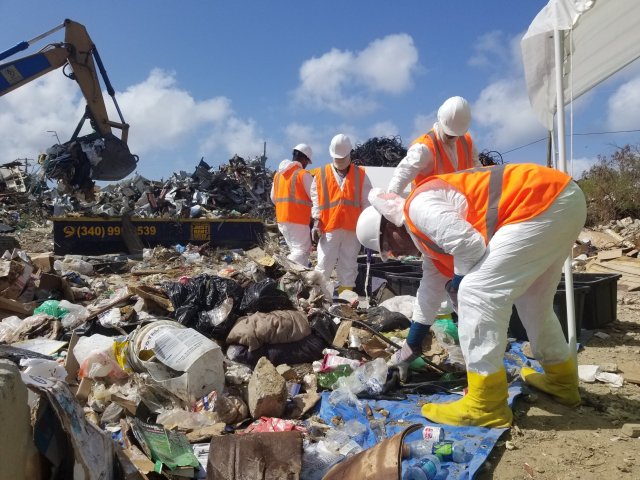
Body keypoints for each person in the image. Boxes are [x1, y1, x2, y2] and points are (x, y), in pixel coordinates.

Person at [356, 163, 586, 427]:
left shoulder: (419, 208)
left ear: (390, 226)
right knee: (534, 301)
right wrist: (412, 343)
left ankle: (485, 404)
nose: (394, 255)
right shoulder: (428, 243)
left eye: (388, 248)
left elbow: (470, 246)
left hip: (541, 201)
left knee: (476, 290)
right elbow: (428, 294)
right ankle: (561, 380)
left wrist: (458, 284)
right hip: (558, 201)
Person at [311, 133, 372, 294]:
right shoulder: (321, 174)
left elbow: (366, 202)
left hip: (352, 228)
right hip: (329, 226)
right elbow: (316, 200)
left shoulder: (360, 175)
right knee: (324, 263)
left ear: (349, 154)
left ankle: (346, 297)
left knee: (349, 264)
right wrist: (316, 222)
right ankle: (318, 296)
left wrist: (367, 227)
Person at [387, 96, 478, 195]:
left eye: (454, 135)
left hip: (460, 202)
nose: (451, 137)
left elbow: (479, 171)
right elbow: (403, 173)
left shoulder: (467, 142)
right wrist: (390, 199)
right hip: (429, 203)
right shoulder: (424, 147)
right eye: (448, 133)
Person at [270, 144, 314, 266]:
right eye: (307, 161)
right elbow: (316, 197)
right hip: (298, 220)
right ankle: (283, 269)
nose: (306, 165)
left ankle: (298, 281)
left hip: (282, 220)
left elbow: (273, 198)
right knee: (301, 251)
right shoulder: (303, 174)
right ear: (304, 159)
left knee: (298, 251)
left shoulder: (278, 175)